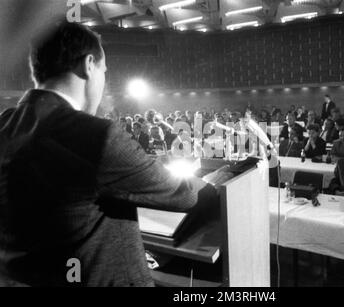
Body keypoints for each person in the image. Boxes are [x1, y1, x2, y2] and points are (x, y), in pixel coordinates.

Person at [0, 22, 218, 287]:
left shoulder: (5, 124)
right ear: (88, 65)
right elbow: (184, 195)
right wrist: (221, 182)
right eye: (104, 71)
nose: (103, 81)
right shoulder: (94, 134)